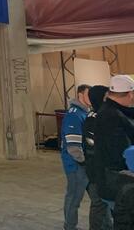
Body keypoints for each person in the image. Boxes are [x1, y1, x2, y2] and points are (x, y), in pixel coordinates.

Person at [94, 75, 134, 229]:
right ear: (130, 94)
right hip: (117, 183)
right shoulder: (111, 117)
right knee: (124, 221)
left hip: (113, 181)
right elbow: (121, 155)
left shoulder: (110, 110)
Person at [61, 84, 92, 230]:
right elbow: (73, 147)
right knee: (74, 198)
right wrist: (84, 161)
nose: (91, 98)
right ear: (80, 95)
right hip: (76, 165)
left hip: (84, 164)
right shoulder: (74, 115)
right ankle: (70, 226)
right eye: (88, 94)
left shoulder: (84, 113)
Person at [82, 85, 113, 230]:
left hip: (105, 170)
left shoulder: (105, 115)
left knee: (105, 205)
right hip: (96, 171)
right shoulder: (93, 119)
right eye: (106, 96)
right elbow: (93, 148)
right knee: (99, 205)